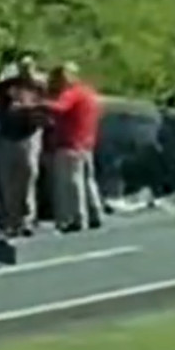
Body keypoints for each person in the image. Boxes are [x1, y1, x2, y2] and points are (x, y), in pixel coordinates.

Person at [43, 62, 102, 232]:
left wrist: (40, 104)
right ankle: (94, 213)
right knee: (88, 181)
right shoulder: (89, 93)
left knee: (70, 184)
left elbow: (60, 107)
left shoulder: (71, 93)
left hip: (69, 143)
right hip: (87, 143)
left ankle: (77, 217)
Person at [0, 53, 46, 236]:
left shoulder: (39, 86)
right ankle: (11, 220)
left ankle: (27, 220)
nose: (26, 70)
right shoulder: (8, 85)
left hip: (29, 135)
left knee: (28, 177)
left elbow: (46, 105)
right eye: (23, 66)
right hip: (8, 135)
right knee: (8, 181)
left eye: (29, 66)